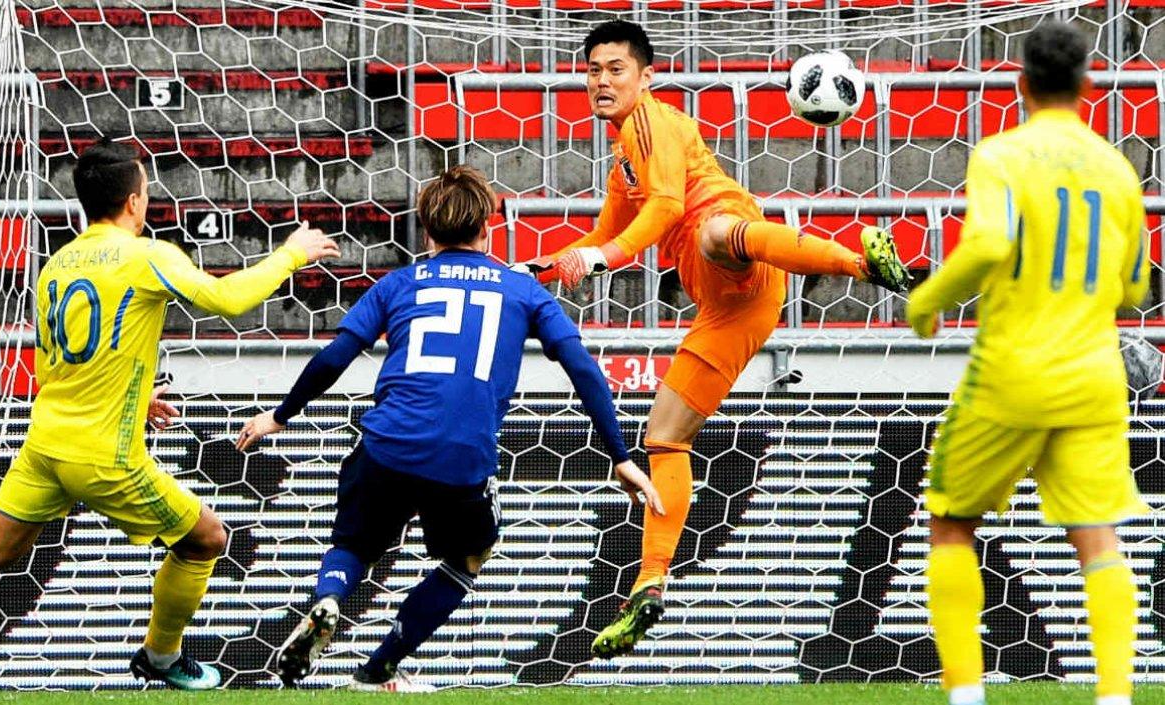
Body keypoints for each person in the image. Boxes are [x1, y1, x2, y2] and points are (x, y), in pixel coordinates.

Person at [524, 20, 911, 658]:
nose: (600, 80)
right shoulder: (625, 158)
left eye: (615, 69)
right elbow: (603, 239)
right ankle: (649, 584)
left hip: (738, 255)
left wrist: (601, 256)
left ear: (645, 77)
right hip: (730, 311)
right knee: (663, 437)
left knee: (712, 230)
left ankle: (864, 265)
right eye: (592, 69)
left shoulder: (655, 123)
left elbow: (671, 208)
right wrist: (540, 267)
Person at [0, 138, 339, 702]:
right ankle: (161, 658)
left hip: (46, 443)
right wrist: (290, 254)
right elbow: (229, 300)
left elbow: (56, 369)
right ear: (134, 201)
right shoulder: (145, 256)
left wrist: (136, 401)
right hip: (102, 454)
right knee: (206, 537)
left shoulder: (56, 265)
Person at [236, 165, 664, 692]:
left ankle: (328, 598)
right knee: (467, 557)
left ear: (426, 230)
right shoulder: (524, 291)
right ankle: (378, 669)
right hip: (461, 459)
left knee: (355, 544)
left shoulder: (398, 283)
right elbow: (583, 369)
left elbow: (335, 357)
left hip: (386, 446)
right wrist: (619, 454)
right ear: (488, 225)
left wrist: (280, 416)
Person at [906, 21, 1147, 705]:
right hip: (1096, 376)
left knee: (952, 520)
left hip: (1012, 371)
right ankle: (1114, 695)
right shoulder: (1119, 170)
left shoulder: (1002, 155)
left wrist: (928, 298)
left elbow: (986, 244)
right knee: (1096, 533)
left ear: (1020, 84)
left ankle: (966, 694)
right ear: (1089, 86)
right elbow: (1134, 286)